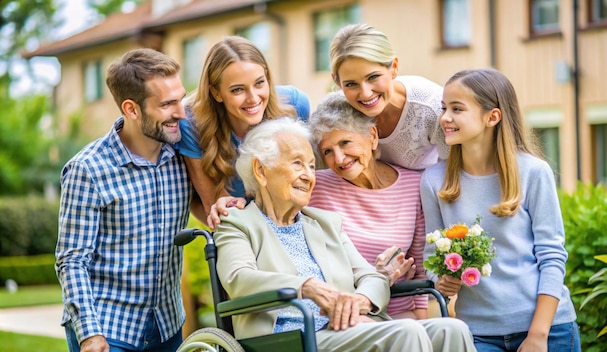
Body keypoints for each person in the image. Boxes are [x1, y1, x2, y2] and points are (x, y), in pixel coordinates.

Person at [214, 117, 477, 352]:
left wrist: (360, 301)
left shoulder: (324, 223)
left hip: (343, 329)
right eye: (297, 164)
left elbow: (369, 275)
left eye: (311, 166)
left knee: (451, 329)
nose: (308, 175)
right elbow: (239, 279)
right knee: (405, 330)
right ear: (261, 171)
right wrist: (306, 287)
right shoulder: (237, 223)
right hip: (290, 338)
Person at [420, 68, 580, 351]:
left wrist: (538, 336)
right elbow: (432, 256)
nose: (444, 118)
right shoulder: (434, 180)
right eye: (444, 108)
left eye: (457, 109)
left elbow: (552, 257)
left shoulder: (533, 172)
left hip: (547, 329)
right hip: (477, 334)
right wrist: (443, 280)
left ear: (492, 117)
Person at [56, 48, 193, 352]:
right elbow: (72, 260)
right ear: (131, 109)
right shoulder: (88, 169)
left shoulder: (185, 154)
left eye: (181, 99)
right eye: (168, 104)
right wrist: (90, 334)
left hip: (166, 325)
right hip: (108, 329)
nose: (181, 113)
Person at [307, 91, 427, 320]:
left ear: (372, 136)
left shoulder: (413, 185)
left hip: (402, 314)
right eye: (328, 151)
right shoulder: (316, 186)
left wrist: (422, 320)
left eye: (345, 143)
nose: (340, 159)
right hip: (347, 317)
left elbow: (419, 266)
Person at [176, 35, 310, 224]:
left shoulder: (295, 105)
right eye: (238, 89)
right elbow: (216, 207)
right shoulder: (191, 124)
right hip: (238, 230)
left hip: (290, 223)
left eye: (259, 83)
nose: (253, 98)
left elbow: (311, 183)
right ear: (216, 92)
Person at [329, 23, 448, 171]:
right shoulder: (335, 114)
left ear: (394, 67)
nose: (365, 93)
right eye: (351, 84)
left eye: (373, 77)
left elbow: (456, 171)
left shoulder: (432, 105)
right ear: (337, 81)